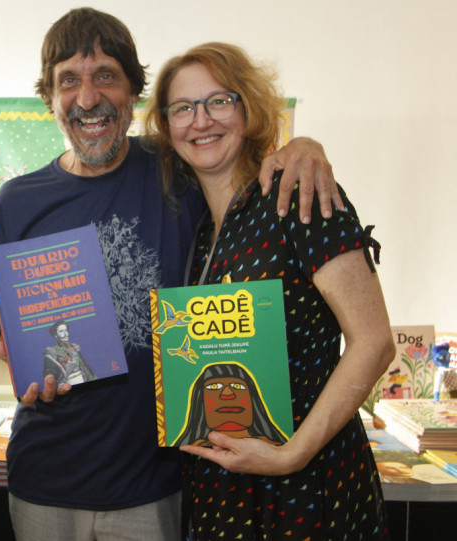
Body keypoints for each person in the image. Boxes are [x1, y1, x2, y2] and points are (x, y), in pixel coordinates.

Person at [0, 8, 342, 540]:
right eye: (68, 82)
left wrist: (304, 148)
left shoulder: (179, 169)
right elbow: (0, 336)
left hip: (156, 481)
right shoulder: (16, 201)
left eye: (105, 75)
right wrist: (35, 372)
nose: (87, 98)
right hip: (45, 479)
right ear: (49, 98)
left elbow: (238, 150)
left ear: (134, 92)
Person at [144, 41, 395, 539]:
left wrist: (290, 454)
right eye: (183, 108)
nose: (201, 120)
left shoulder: (297, 193)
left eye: (219, 100)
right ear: (167, 128)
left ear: (249, 108)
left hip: (306, 485)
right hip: (221, 493)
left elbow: (375, 341)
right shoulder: (197, 230)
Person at [172, 362, 289, 447]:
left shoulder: (278, 446)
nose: (227, 393)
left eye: (238, 386)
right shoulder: (190, 446)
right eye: (214, 386)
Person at [43, 321, 96, 387]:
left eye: (66, 330)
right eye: (61, 331)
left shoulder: (74, 348)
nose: (65, 334)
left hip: (82, 381)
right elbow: (49, 375)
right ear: (55, 335)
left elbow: (84, 366)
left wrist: (93, 380)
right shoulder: (51, 353)